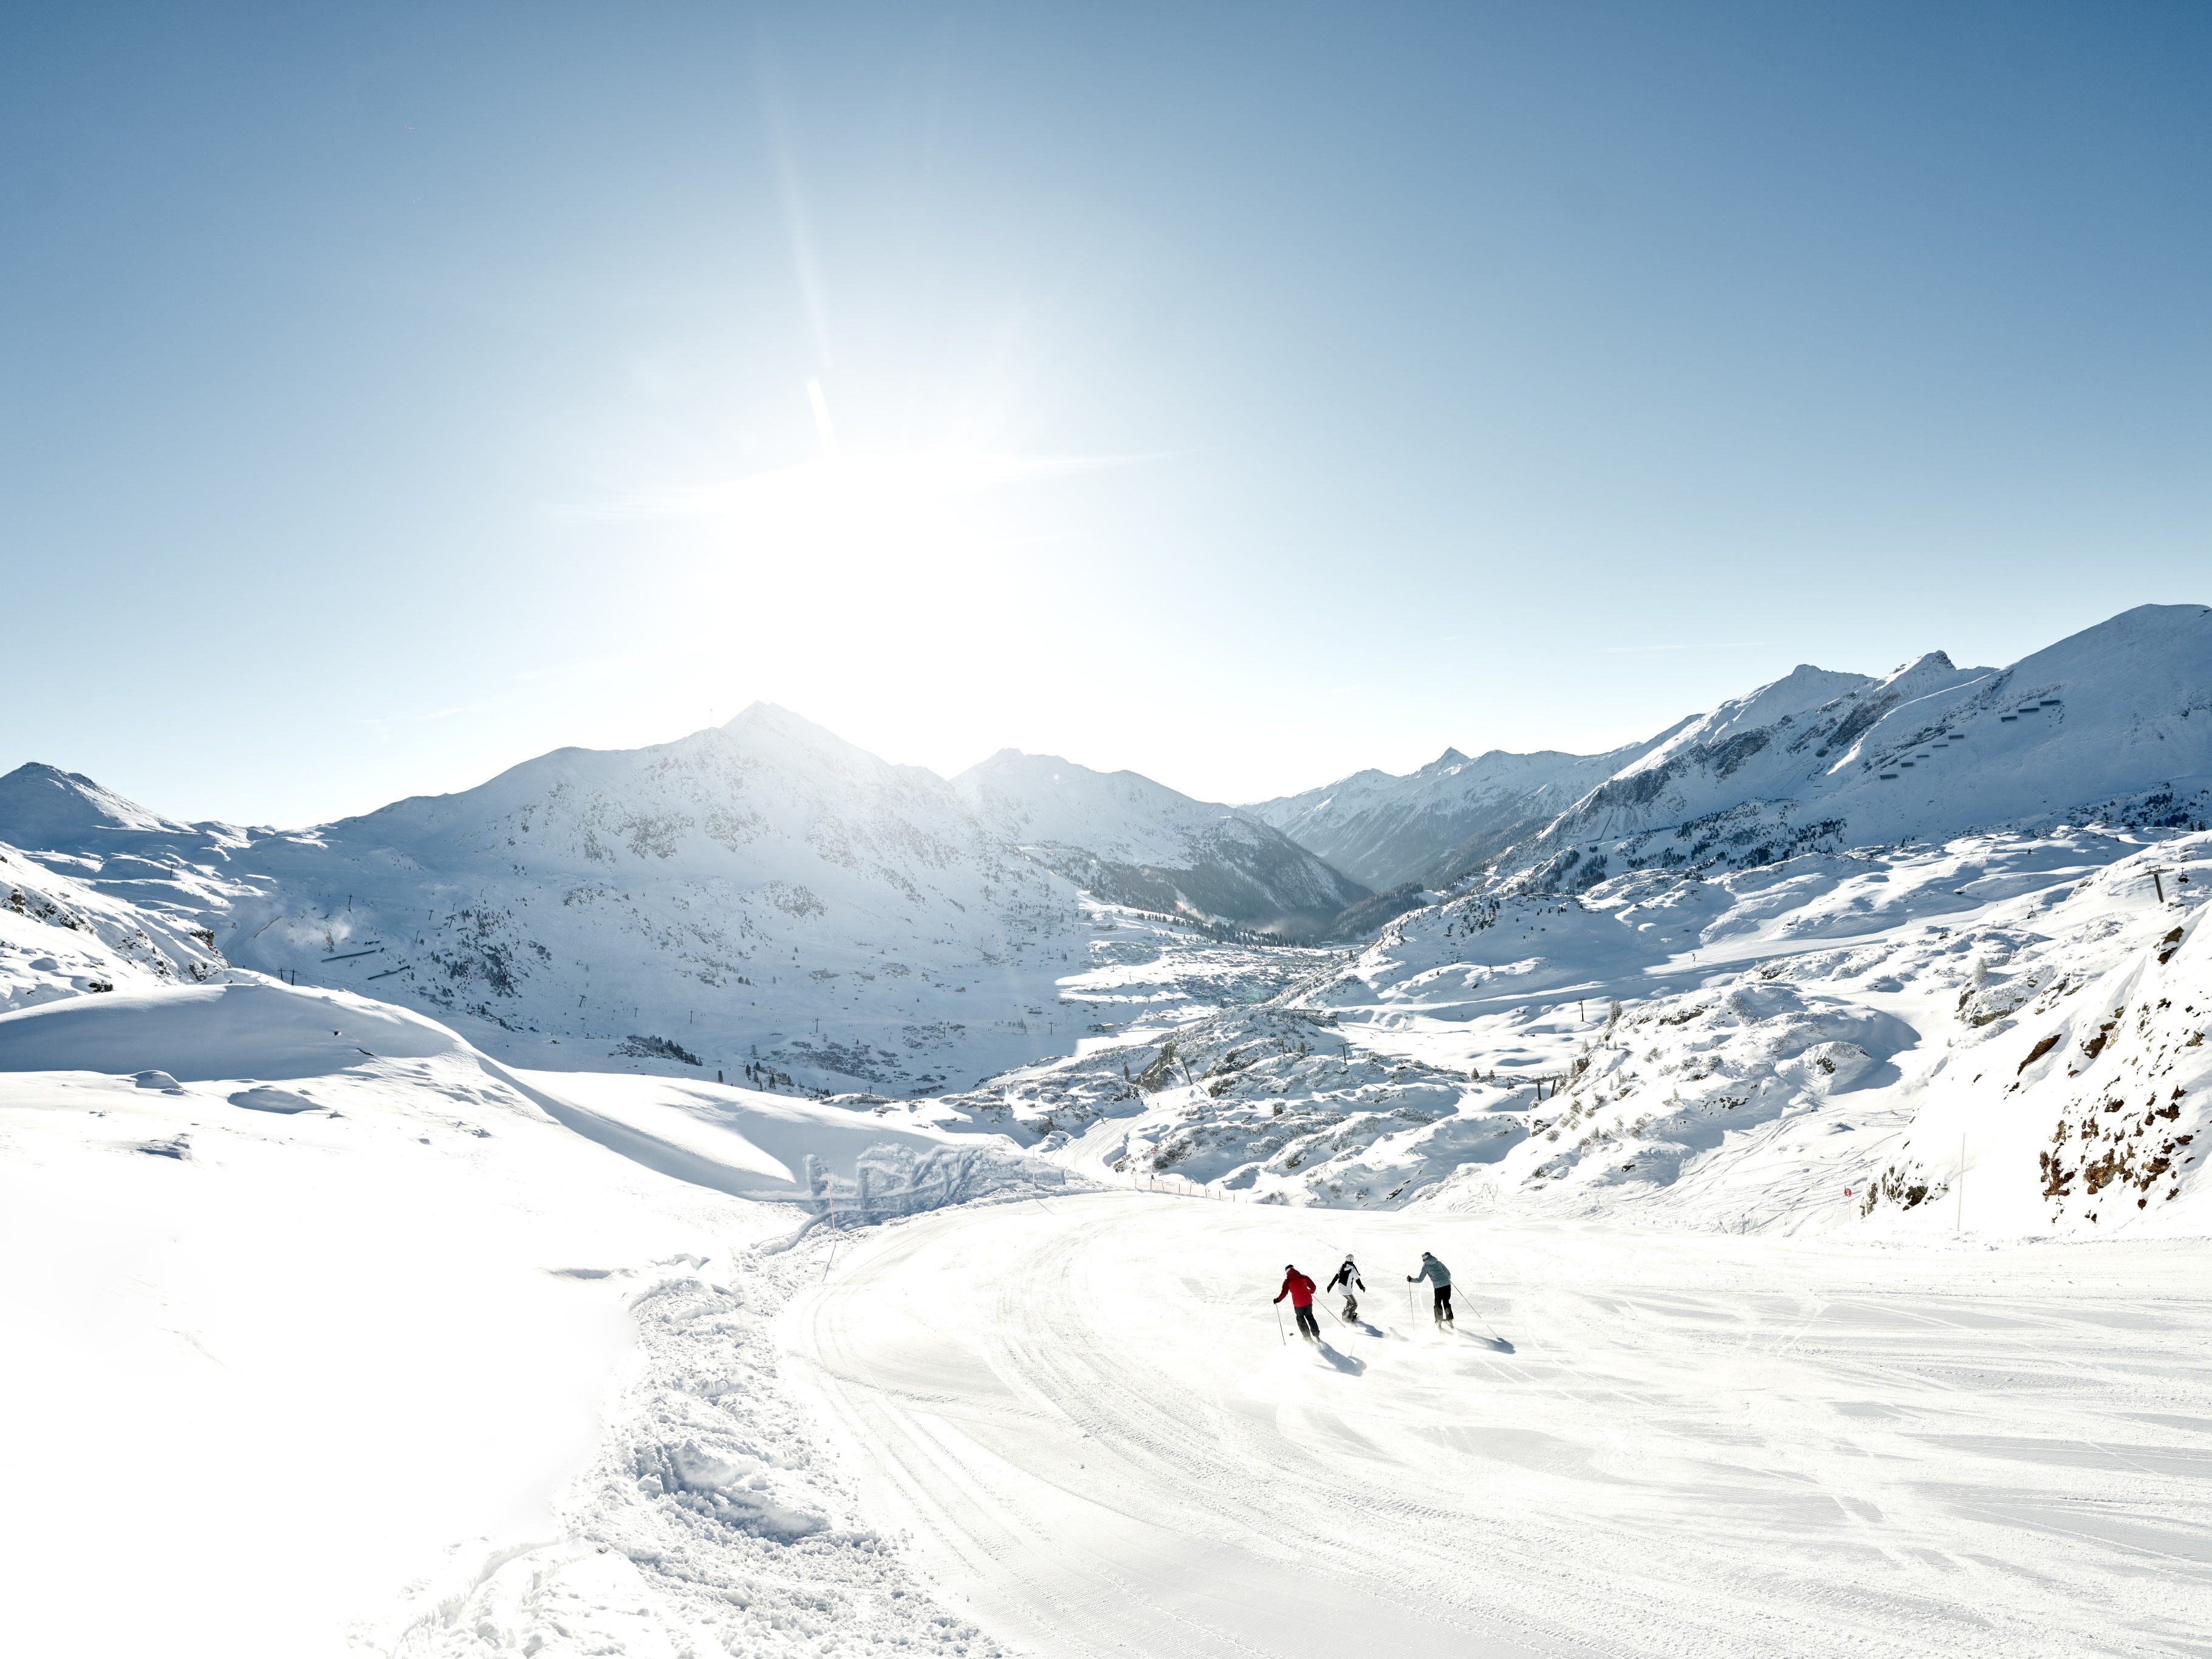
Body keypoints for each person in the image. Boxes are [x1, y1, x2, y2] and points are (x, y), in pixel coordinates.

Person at [1275, 1264, 1320, 1341]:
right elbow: (1313, 1287)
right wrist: (1310, 1292)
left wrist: (1277, 1300)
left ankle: (1307, 1337)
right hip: (1308, 1302)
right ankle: (1316, 1335)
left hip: (1298, 1304)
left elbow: (1284, 1293)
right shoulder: (1304, 1277)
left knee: (1300, 1319)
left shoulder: (1287, 1281)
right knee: (1310, 1317)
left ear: (1287, 1272)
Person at [1407, 1251, 1454, 1326]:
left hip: (1438, 1287)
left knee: (1438, 1304)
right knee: (1446, 1302)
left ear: (1424, 1259)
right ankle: (1450, 1319)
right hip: (1447, 1284)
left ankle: (1439, 1321)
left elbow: (1420, 1280)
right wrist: (1446, 1279)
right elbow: (1448, 1273)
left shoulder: (1426, 1266)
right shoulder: (1438, 1262)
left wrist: (1411, 1280)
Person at [1326, 1254, 1365, 1322]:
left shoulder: (1342, 1267)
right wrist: (1362, 1287)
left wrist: (1330, 1286)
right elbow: (1358, 1280)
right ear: (1353, 1260)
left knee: (1350, 1302)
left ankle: (1347, 1315)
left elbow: (1336, 1277)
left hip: (1340, 1289)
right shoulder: (1353, 1270)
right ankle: (1348, 1317)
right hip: (1347, 1291)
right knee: (1355, 1304)